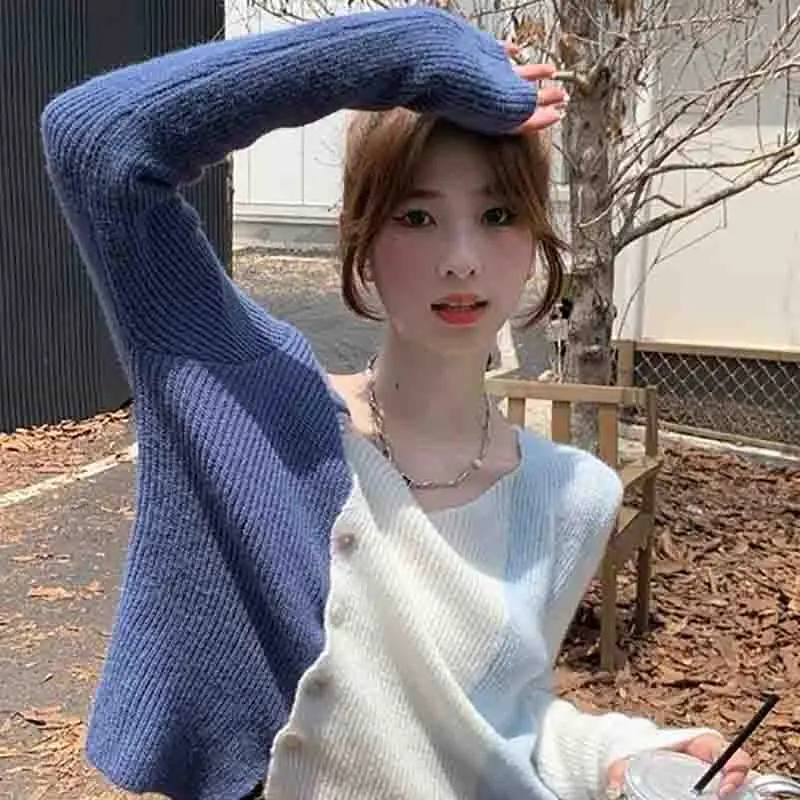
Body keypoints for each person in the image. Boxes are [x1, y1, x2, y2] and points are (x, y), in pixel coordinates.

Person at [41, 7, 751, 799]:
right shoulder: (258, 414)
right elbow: (96, 139)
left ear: (535, 242)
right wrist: (402, 51)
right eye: (417, 216)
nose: (461, 259)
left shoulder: (572, 496)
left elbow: (503, 720)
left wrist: (618, 756)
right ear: (362, 239)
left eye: (498, 216)